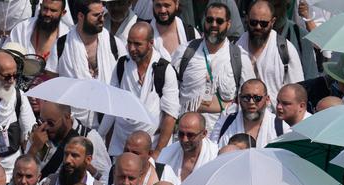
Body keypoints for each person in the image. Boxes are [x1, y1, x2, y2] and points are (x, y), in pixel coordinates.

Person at [172, 3, 254, 131]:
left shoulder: (240, 58)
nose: (214, 25)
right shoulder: (184, 52)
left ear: (228, 24)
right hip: (186, 135)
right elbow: (170, 94)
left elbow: (250, 99)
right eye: (209, 20)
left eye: (219, 21)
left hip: (223, 135)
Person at [104, 22, 180, 156]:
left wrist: (157, 153)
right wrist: (102, 137)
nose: (132, 48)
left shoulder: (164, 70)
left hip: (151, 145)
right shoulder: (122, 65)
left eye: (138, 44)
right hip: (121, 143)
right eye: (129, 43)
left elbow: (170, 116)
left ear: (150, 43)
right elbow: (112, 105)